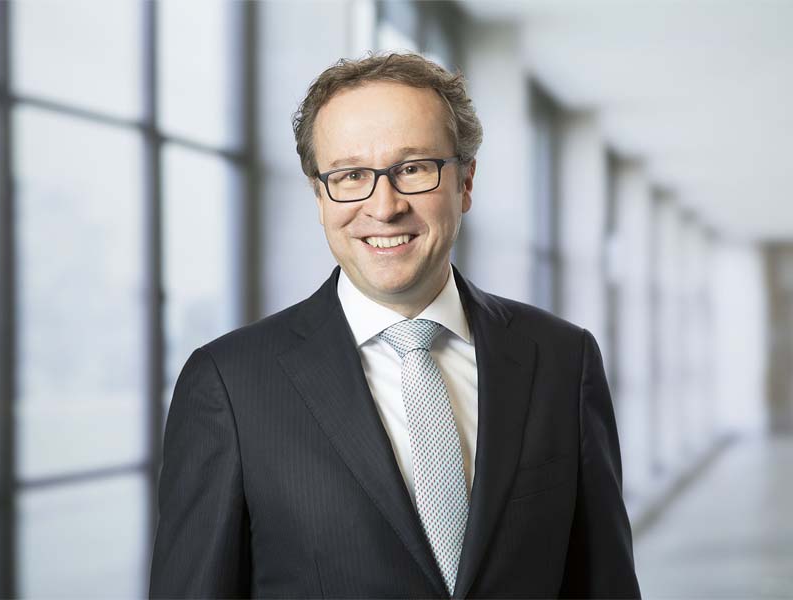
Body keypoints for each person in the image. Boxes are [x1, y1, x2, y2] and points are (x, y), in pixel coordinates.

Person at [149, 52, 641, 599]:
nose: (384, 207)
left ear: (466, 182)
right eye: (350, 175)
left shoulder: (562, 361)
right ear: (319, 195)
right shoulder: (230, 384)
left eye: (413, 169)